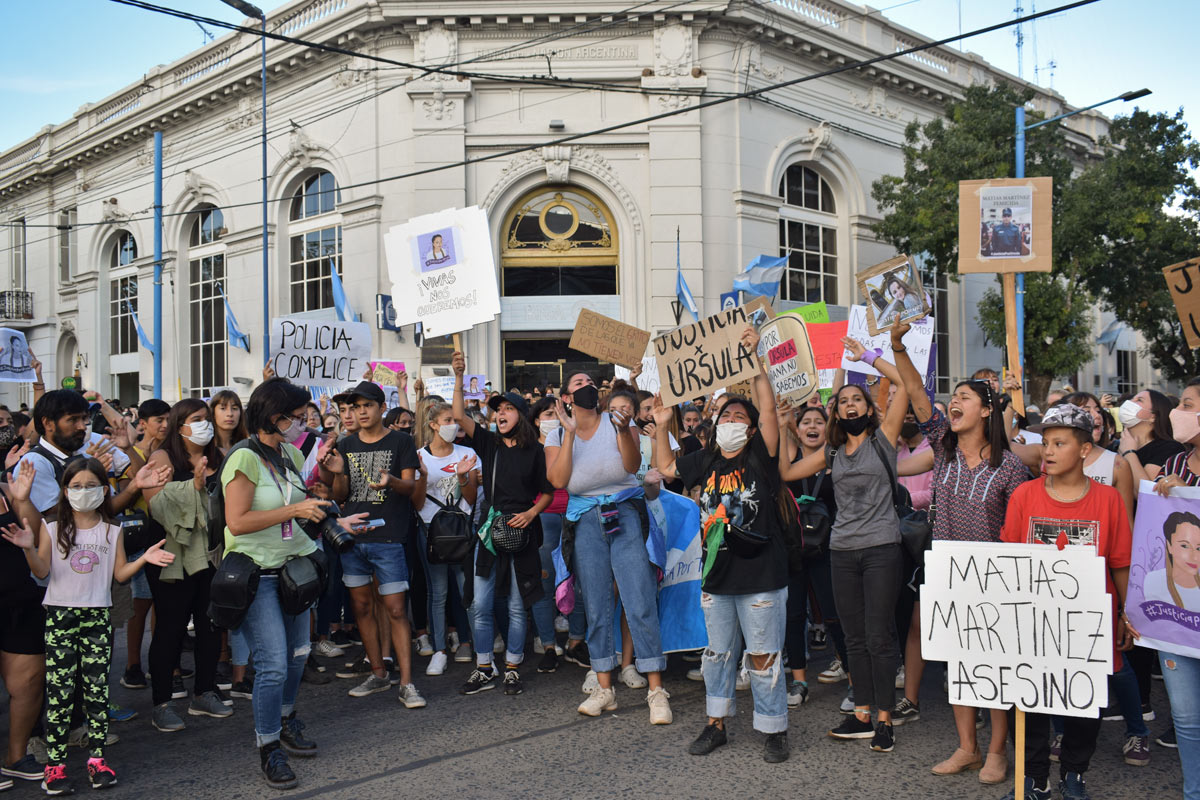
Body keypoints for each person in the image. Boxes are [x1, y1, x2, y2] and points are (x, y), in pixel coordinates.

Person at [889, 321, 1031, 783]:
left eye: (965, 397)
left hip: (995, 581)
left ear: (987, 410)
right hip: (948, 576)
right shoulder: (943, 450)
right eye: (953, 397)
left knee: (994, 670)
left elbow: (1020, 531)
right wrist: (897, 347)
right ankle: (967, 748)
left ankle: (997, 752)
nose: (954, 402)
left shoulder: (1009, 467)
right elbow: (915, 390)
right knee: (960, 667)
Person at [654, 326, 791, 763]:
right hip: (716, 577)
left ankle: (773, 728)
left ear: (751, 429)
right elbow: (667, 468)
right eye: (725, 416)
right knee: (716, 656)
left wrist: (758, 362)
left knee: (763, 657)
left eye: (740, 417)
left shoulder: (761, 457)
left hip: (762, 575)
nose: (732, 421)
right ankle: (716, 724)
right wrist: (661, 425)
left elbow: (767, 409)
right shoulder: (707, 460)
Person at [3, 457, 175, 794]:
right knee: (59, 694)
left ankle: (97, 760)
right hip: (60, 617)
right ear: (65, 491)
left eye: (92, 486)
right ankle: (55, 766)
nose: (84, 492)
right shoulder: (52, 528)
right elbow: (41, 571)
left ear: (104, 489)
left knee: (97, 692)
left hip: (97, 616)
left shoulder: (112, 530)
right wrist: (27, 549)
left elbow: (120, 574)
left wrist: (144, 558)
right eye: (77, 486)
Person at [998, 403, 1135, 800]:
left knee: (1084, 703)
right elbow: (1008, 559)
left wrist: (1126, 613)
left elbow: (1120, 563)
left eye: (1059, 443)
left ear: (1084, 450)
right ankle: (1035, 778)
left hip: (1090, 622)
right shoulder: (1024, 495)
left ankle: (1075, 773)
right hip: (1033, 620)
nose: (1048, 451)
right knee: (1029, 700)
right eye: (1046, 443)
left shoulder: (1108, 500)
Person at [781, 336, 908, 754]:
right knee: (853, 637)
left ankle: (885, 720)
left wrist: (869, 357)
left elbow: (903, 386)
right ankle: (862, 715)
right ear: (836, 412)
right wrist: (782, 425)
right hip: (842, 551)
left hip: (882, 548)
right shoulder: (832, 452)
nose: (850, 405)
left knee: (878, 636)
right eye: (844, 401)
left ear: (869, 409)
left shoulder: (883, 439)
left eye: (858, 400)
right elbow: (786, 472)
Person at [222, 378, 348, 789]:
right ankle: (268, 745)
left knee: (298, 655)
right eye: (296, 417)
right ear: (273, 417)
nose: (303, 424)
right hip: (257, 573)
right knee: (273, 664)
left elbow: (302, 506)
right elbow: (237, 522)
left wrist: (330, 508)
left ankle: (285, 716)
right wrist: (294, 509)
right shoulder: (244, 458)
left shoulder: (289, 453)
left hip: (294, 570)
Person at [545, 369, 671, 724]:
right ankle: (604, 687)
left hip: (624, 513)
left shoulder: (617, 422)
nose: (587, 386)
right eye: (578, 383)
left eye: (590, 382)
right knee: (597, 603)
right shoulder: (557, 433)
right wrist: (570, 434)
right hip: (585, 520)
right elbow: (558, 480)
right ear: (567, 397)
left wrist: (623, 430)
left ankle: (656, 690)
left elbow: (631, 466)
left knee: (639, 598)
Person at [451, 353, 552, 697]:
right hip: (490, 530)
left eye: (507, 409)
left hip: (522, 531)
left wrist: (531, 514)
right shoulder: (489, 444)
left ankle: (511, 668)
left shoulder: (535, 451)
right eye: (497, 410)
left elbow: (548, 493)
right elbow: (459, 416)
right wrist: (459, 376)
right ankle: (484, 668)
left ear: (521, 414)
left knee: (516, 605)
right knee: (480, 604)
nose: (500, 414)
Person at [323, 382, 425, 709]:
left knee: (396, 609)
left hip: (389, 538)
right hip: (353, 540)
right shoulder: (346, 444)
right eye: (356, 407)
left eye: (367, 405)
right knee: (362, 608)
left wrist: (391, 481)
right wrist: (338, 473)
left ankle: (407, 683)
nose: (361, 412)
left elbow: (410, 487)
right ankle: (378, 673)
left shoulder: (401, 441)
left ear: (382, 407)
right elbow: (341, 496)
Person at [141, 399, 230, 732]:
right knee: (171, 628)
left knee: (210, 625)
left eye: (207, 418)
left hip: (212, 554)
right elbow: (157, 506)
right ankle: (162, 703)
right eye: (197, 418)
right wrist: (193, 487)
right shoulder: (163, 457)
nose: (205, 424)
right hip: (171, 557)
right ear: (180, 425)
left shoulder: (220, 457)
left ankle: (204, 692)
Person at [781, 404, 845, 708]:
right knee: (794, 615)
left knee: (834, 614)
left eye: (819, 421)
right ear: (798, 429)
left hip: (829, 549)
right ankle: (799, 681)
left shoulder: (839, 461)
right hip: (795, 549)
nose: (812, 426)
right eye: (806, 421)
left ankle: (854, 680)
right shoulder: (789, 464)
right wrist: (783, 422)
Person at [410, 401, 478, 676]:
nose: (453, 425)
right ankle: (439, 650)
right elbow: (416, 503)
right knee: (437, 593)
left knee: (466, 591)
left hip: (461, 531)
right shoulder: (419, 457)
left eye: (455, 420)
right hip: (430, 532)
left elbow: (471, 498)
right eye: (448, 420)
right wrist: (423, 477)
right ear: (433, 425)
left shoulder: (467, 453)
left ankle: (473, 645)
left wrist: (462, 477)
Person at [527, 397, 588, 674]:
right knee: (545, 582)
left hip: (575, 514)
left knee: (579, 581)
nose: (554, 417)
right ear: (536, 420)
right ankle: (549, 646)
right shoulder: (530, 449)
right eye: (548, 414)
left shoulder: (574, 440)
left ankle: (576, 642)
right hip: (545, 517)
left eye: (557, 413)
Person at [1119, 390, 1184, 483]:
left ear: (1153, 417)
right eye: (1132, 399)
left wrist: (1129, 453)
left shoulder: (1169, 448)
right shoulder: (1114, 446)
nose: (1129, 402)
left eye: (1139, 400)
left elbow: (1145, 489)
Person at [210, 390, 249, 456]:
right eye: (223, 408)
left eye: (234, 408)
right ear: (213, 413)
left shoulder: (246, 447)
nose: (230, 414)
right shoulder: (206, 448)